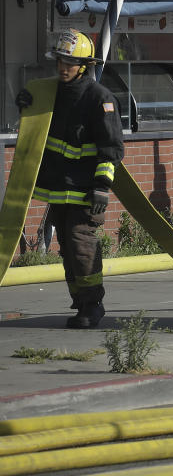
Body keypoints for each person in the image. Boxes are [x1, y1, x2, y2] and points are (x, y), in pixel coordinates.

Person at [15, 29, 124, 329]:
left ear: (84, 65)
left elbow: (112, 149)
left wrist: (102, 188)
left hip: (87, 191)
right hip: (60, 190)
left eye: (70, 62)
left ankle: (93, 304)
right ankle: (80, 303)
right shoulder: (52, 93)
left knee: (80, 244)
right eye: (60, 61)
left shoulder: (99, 98)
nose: (63, 67)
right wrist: (27, 104)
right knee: (66, 245)